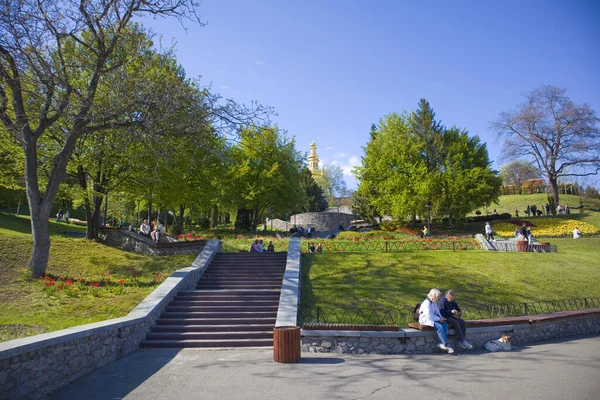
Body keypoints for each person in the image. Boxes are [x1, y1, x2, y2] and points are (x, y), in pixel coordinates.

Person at [418, 288, 454, 354]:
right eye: (437, 296)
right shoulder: (426, 303)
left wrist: (441, 318)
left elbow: (437, 311)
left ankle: (443, 343)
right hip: (426, 320)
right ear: (433, 296)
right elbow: (429, 316)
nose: (438, 298)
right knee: (439, 327)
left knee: (445, 325)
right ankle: (446, 344)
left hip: (433, 318)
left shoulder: (433, 302)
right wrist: (439, 319)